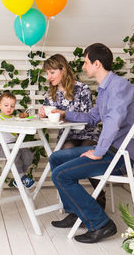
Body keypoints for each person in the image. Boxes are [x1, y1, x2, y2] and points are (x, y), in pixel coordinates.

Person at [49, 43, 134, 244]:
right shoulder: (104, 89)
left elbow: (113, 122)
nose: (83, 67)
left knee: (61, 175)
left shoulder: (120, 87)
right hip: (108, 151)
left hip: (119, 157)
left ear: (96, 64)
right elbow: (93, 117)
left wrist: (98, 152)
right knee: (56, 158)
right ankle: (77, 212)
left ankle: (101, 224)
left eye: (85, 62)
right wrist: (65, 114)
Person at [38, 54, 106, 208]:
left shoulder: (82, 89)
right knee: (64, 157)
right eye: (47, 73)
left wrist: (63, 114)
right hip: (67, 135)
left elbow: (88, 118)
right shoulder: (50, 94)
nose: (49, 77)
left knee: (88, 156)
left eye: (52, 72)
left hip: (88, 133)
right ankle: (76, 204)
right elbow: (50, 117)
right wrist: (43, 113)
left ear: (63, 69)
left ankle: (100, 195)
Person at [0, 91, 35, 189]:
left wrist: (22, 123)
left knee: (28, 154)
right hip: (1, 147)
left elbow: (16, 133)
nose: (9, 108)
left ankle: (20, 177)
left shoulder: (14, 119)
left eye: (12, 106)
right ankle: (21, 177)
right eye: (6, 105)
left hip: (15, 145)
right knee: (15, 154)